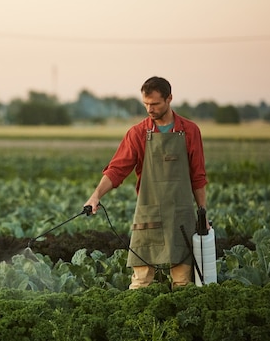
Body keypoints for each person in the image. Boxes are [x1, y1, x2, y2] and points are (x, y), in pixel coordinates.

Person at [83, 76, 208, 289]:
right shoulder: (137, 133)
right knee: (140, 283)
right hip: (149, 213)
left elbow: (198, 176)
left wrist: (203, 213)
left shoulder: (190, 131)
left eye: (155, 104)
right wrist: (95, 196)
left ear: (169, 99)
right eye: (146, 104)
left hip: (181, 214)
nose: (149, 109)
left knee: (182, 282)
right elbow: (116, 170)